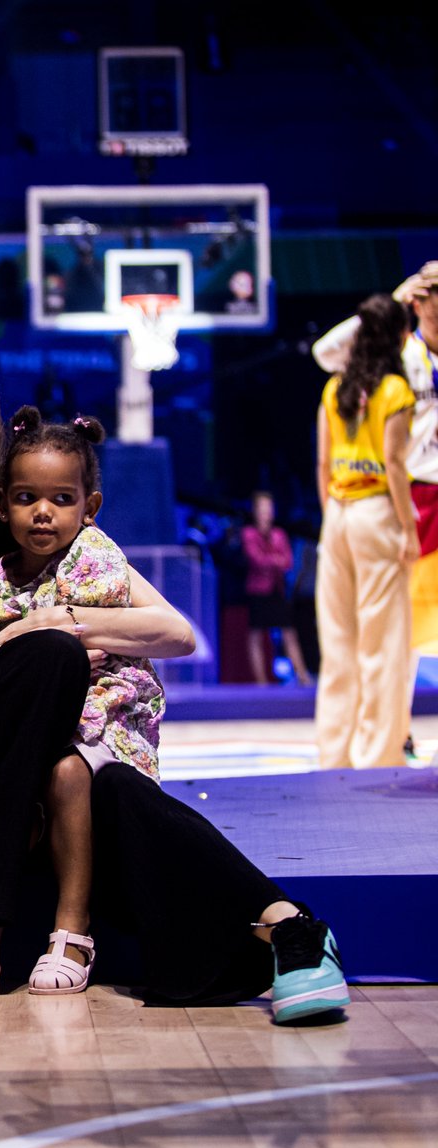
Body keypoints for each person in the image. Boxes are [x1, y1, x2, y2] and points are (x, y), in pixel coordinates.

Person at [0, 326, 350, 1025]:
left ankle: (290, 928)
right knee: (47, 666)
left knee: (94, 757)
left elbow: (170, 630)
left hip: (42, 792)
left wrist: (45, 624)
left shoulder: (26, 516)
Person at [0, 407, 165, 997]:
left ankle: (72, 929)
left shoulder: (96, 562)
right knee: (4, 762)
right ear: (2, 504)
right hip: (27, 723)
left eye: (61, 499)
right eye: (26, 497)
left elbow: (55, 648)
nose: (42, 512)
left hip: (103, 720)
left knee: (65, 769)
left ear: (89, 508)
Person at [313, 262, 438, 656]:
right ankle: (394, 713)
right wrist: (394, 299)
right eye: (433, 302)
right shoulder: (401, 355)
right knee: (401, 618)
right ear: (418, 305)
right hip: (413, 494)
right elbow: (326, 351)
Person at [314, 294, 417, 768]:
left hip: (337, 514)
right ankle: (377, 755)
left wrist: (331, 516)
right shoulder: (395, 390)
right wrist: (409, 530)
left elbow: (321, 462)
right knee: (383, 641)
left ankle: (334, 753)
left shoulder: (335, 389)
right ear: (400, 335)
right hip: (378, 512)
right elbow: (395, 465)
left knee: (338, 642)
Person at [241, 491, 312, 686]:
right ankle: (261, 682)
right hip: (257, 590)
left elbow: (287, 561)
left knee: (289, 631)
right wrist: (275, 559)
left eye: (269, 509)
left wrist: (271, 560)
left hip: (277, 590)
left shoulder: (279, 535)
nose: (266, 513)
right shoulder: (249, 533)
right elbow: (256, 559)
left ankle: (303, 675)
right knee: (255, 635)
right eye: (262, 509)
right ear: (255, 511)